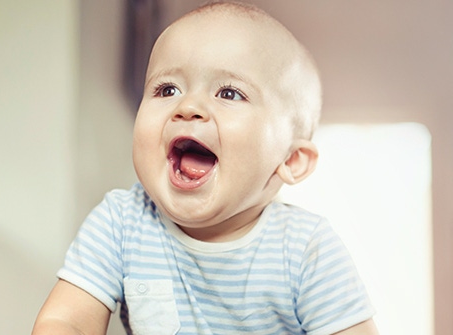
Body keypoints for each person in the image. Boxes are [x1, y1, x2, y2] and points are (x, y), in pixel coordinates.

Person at [32, 1, 377, 334]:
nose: (189, 106)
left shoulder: (306, 250)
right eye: (167, 88)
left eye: (228, 93)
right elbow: (68, 322)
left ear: (290, 160)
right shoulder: (121, 224)